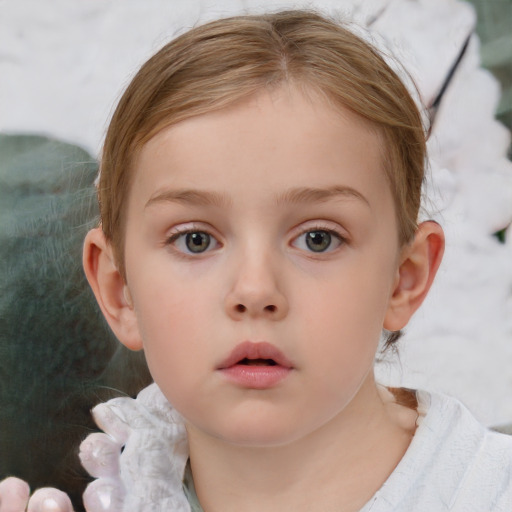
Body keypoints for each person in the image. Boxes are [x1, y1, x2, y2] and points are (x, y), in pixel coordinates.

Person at [1, 9, 511, 512]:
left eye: (317, 239)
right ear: (119, 291)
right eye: (195, 240)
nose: (255, 291)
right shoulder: (120, 491)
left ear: (404, 278)